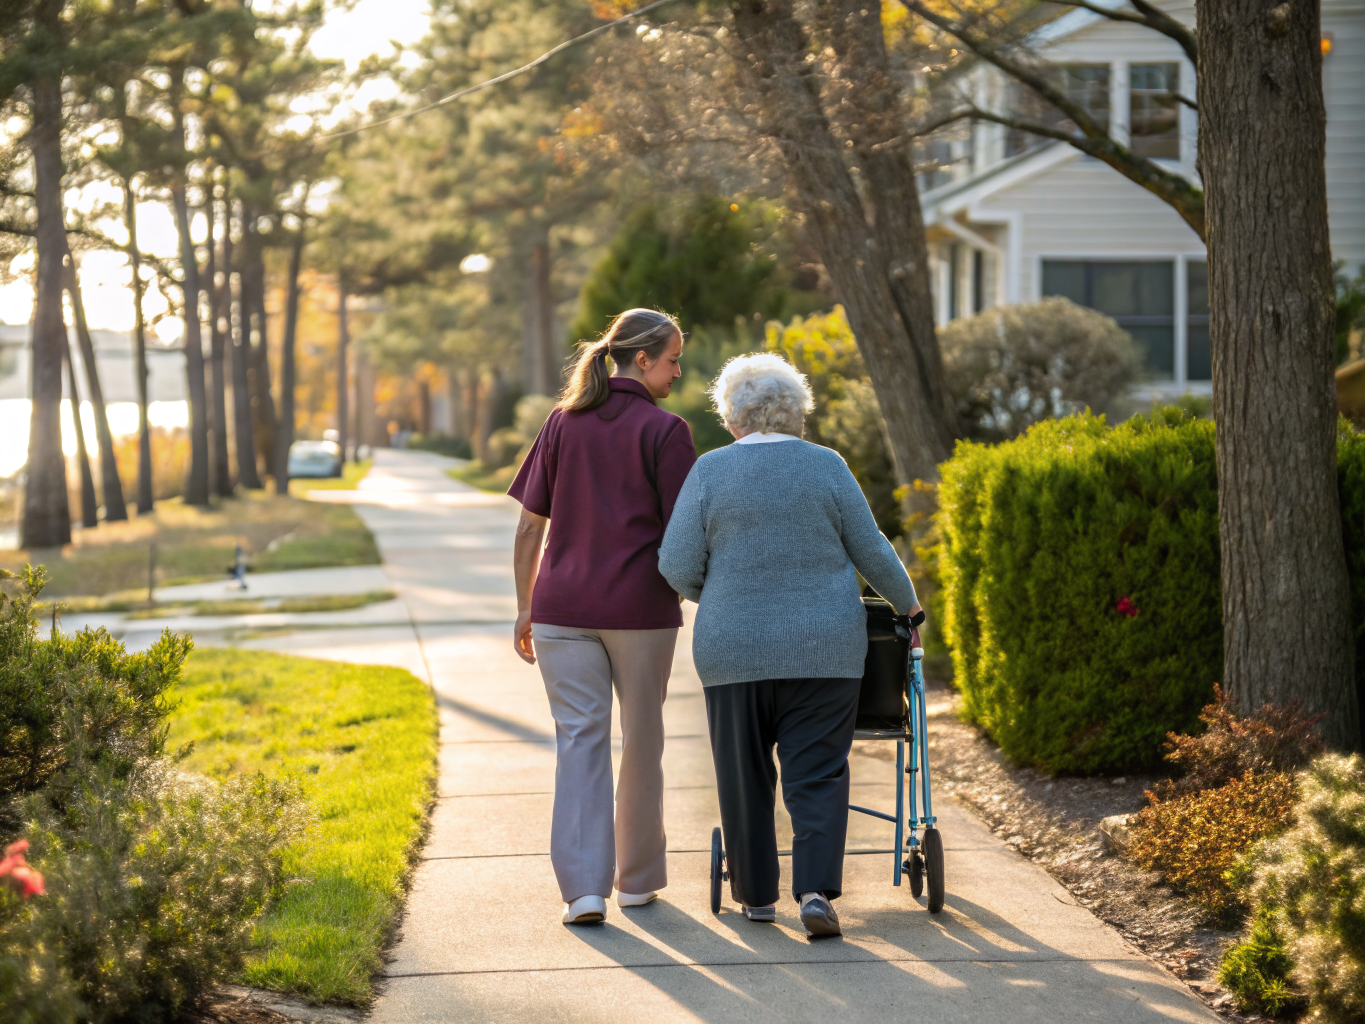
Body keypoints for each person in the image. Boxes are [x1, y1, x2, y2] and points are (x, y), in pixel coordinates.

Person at [658, 353, 921, 938]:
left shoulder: (709, 472)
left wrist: (723, 594)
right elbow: (871, 549)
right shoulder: (826, 466)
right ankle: (815, 894)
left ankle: (755, 898)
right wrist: (909, 606)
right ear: (796, 412)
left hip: (733, 650)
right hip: (825, 649)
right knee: (819, 774)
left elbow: (675, 563)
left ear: (732, 416)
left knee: (742, 772)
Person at [509, 308, 696, 926]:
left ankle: (584, 892)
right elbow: (684, 535)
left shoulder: (562, 423)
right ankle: (636, 882)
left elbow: (529, 525)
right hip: (639, 612)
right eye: (672, 358)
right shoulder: (667, 432)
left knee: (579, 741)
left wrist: (525, 607)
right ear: (641, 360)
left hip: (561, 610)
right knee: (642, 739)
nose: (677, 369)